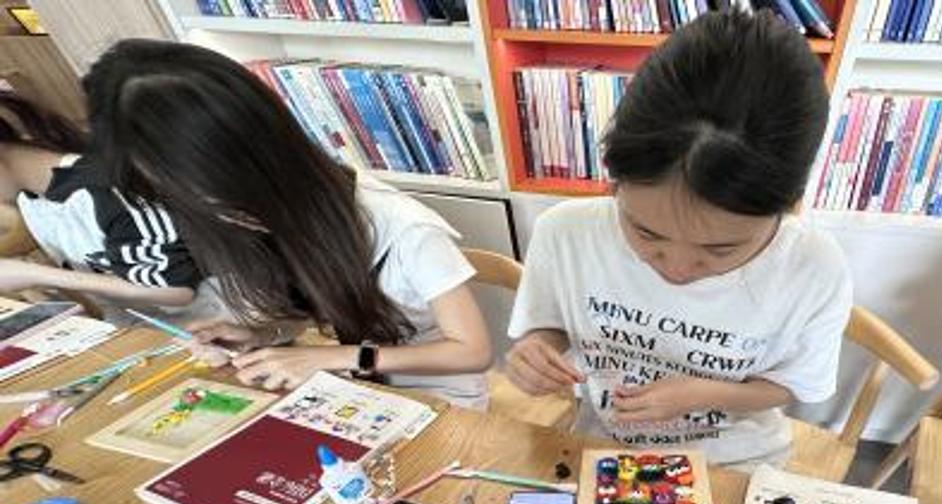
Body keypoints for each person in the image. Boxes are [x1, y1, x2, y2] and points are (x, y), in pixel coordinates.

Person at [505, 10, 851, 467]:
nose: (677, 270)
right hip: (604, 448)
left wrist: (702, 393)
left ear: (790, 205)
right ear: (614, 182)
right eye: (646, 232)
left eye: (720, 249)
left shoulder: (813, 268)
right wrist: (536, 352)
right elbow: (549, 326)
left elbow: (792, 384)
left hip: (733, 461)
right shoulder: (566, 232)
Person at [79, 40, 492, 404]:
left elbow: (472, 351)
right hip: (356, 389)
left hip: (438, 396)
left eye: (209, 192)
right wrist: (263, 338)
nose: (216, 212)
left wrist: (335, 358)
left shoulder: (405, 228)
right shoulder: (264, 217)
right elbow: (318, 306)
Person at [0, 90, 207, 313]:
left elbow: (175, 289)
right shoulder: (30, 196)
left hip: (205, 318)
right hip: (136, 321)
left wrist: (38, 275)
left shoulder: (107, 188)